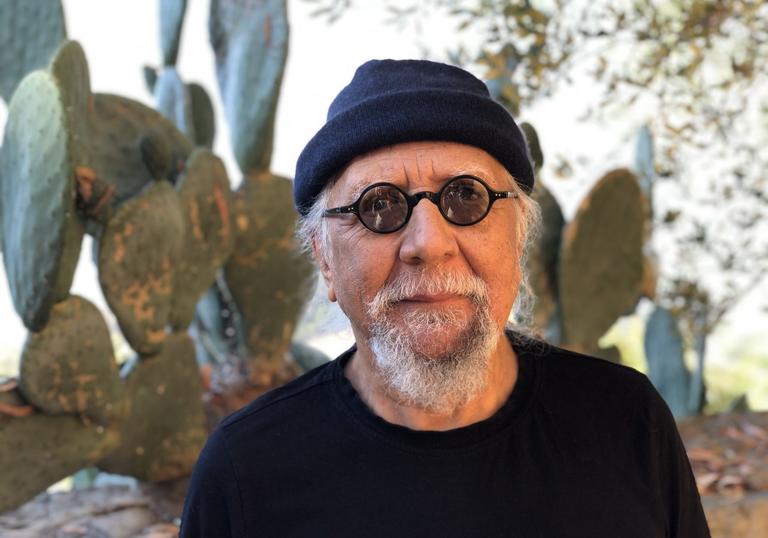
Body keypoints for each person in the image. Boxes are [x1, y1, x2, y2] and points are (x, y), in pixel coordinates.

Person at [180, 59, 710, 537]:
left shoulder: (626, 422)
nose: (429, 244)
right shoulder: (244, 471)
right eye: (379, 205)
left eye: (465, 196)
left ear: (518, 238)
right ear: (324, 259)